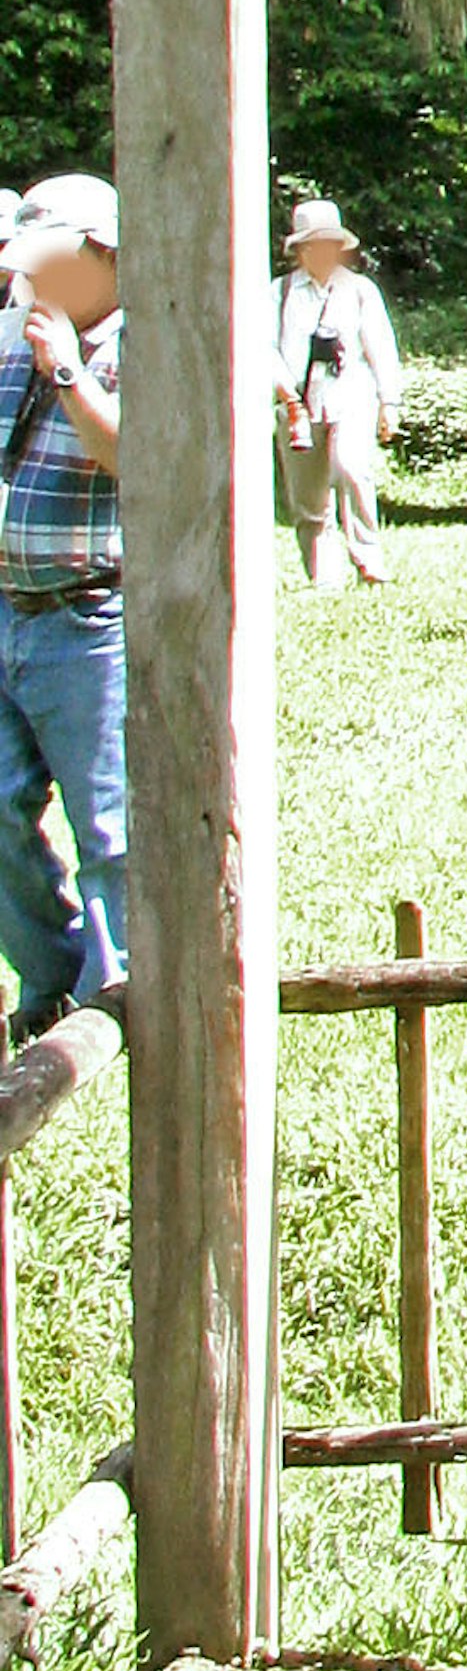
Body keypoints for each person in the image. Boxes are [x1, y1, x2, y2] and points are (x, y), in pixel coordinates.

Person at [0, 172, 125, 1043]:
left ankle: (121, 996)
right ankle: (52, 975)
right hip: (6, 610)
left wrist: (70, 373)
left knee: (109, 829)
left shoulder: (145, 340)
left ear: (104, 255)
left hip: (89, 619)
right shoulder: (12, 337)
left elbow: (142, 462)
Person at [273, 194, 403, 585]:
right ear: (301, 250)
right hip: (295, 400)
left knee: (352, 468)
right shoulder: (279, 293)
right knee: (308, 497)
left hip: (350, 393)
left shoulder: (359, 290)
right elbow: (264, 348)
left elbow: (381, 346)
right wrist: (287, 397)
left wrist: (389, 402)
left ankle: (369, 560)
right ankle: (322, 574)